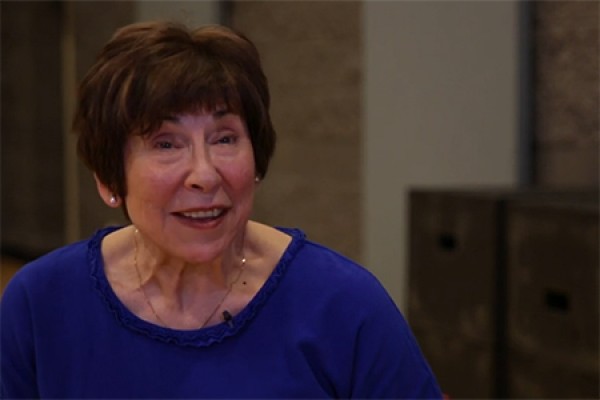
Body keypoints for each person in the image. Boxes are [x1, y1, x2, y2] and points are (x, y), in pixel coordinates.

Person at [1, 21, 442, 398]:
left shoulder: (344, 305)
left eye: (225, 138)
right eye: (166, 144)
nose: (205, 174)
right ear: (108, 178)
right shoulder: (42, 304)